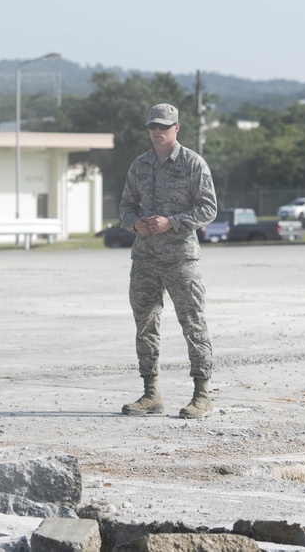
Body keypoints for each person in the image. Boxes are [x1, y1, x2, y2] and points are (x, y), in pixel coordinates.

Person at [118, 103, 218, 419]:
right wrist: (133, 223)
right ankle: (151, 394)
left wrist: (171, 221)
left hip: (180, 258)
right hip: (145, 258)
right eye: (153, 127)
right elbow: (125, 207)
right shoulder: (139, 166)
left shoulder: (193, 164)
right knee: (145, 324)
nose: (157, 132)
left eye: (163, 126)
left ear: (177, 128)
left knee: (192, 322)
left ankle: (202, 394)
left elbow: (207, 209)